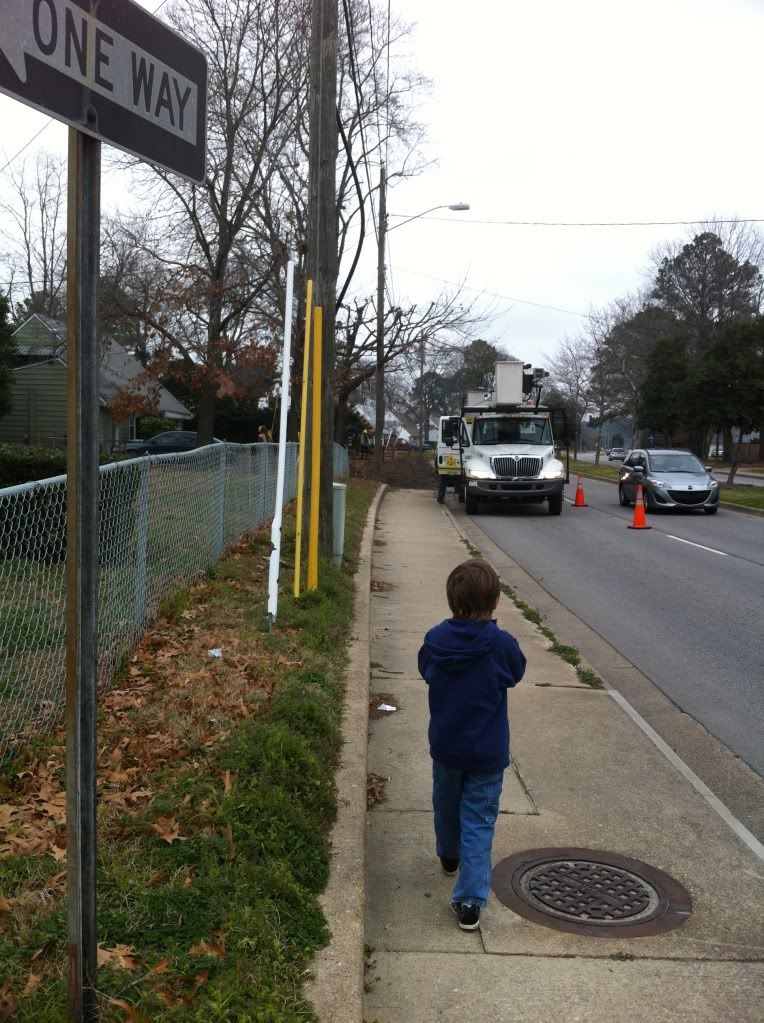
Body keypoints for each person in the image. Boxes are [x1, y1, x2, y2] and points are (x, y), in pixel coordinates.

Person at [418, 559, 526, 931]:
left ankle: (449, 854)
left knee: (445, 805)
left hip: (446, 747)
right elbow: (517, 672)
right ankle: (469, 901)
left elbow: (424, 669)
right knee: (478, 820)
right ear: (494, 602)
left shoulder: (435, 639)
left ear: (452, 600)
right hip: (486, 753)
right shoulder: (501, 645)